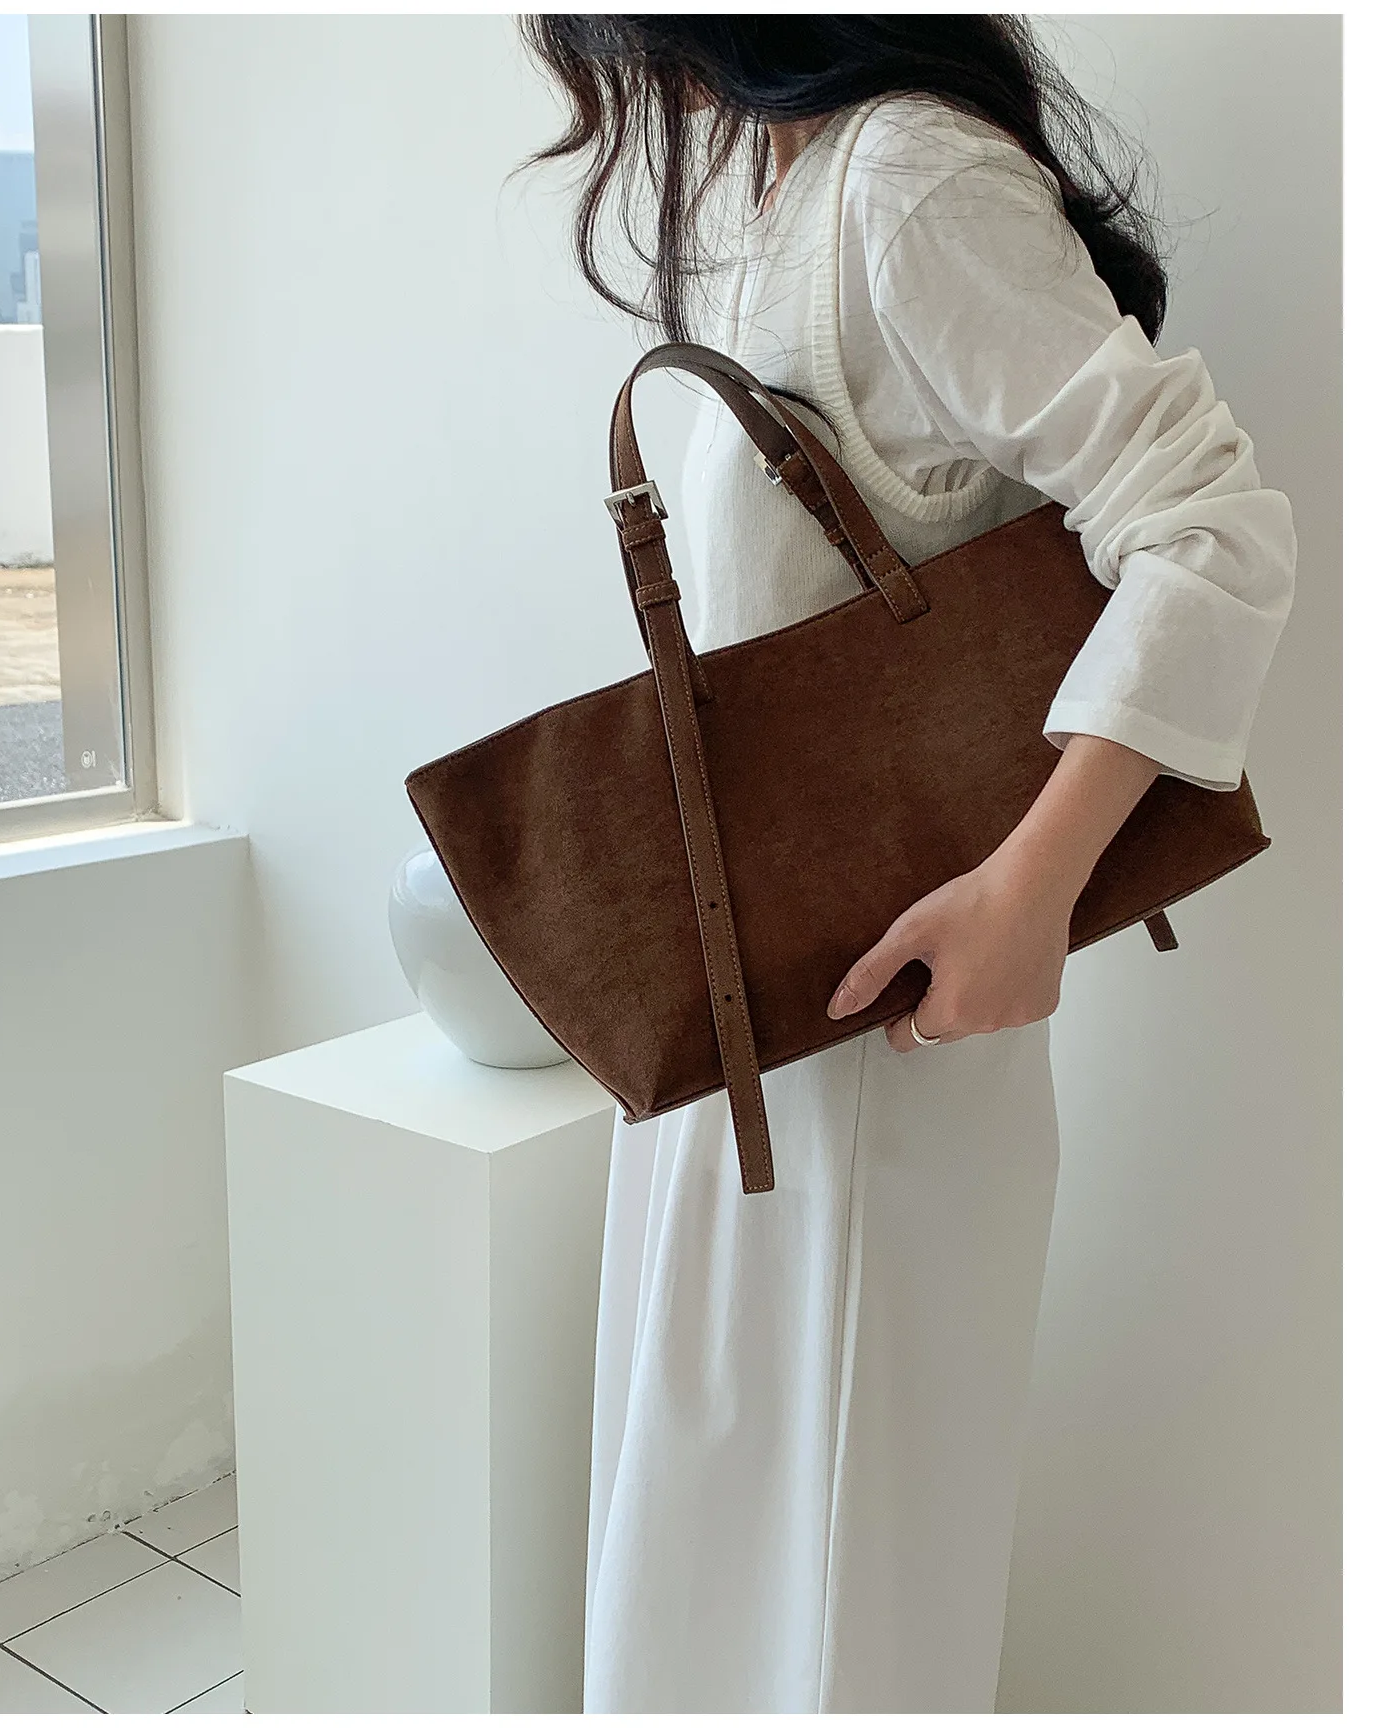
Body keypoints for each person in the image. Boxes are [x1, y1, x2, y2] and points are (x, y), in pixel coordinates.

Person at [519, 15, 1296, 1714]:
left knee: (833, 1589)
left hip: (880, 1033)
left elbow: (1213, 529)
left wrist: (1032, 894)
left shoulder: (906, 176)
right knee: (730, 1557)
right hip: (745, 1013)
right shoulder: (792, 178)